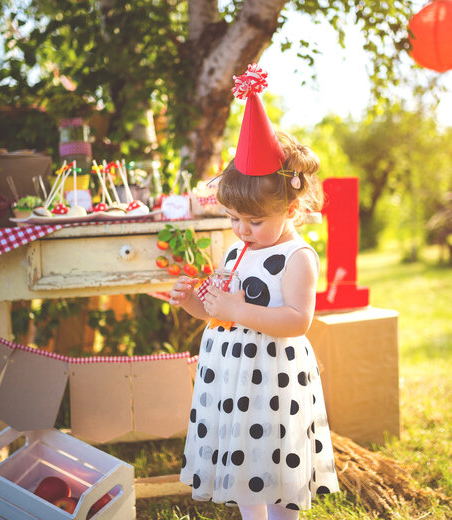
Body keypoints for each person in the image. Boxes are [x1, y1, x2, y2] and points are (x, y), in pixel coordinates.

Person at [173, 64, 339, 520]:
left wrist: (238, 308)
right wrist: (193, 301)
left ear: (289, 206)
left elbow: (296, 321)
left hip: (273, 378)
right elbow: (217, 313)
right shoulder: (237, 250)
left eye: (255, 221)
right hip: (231, 378)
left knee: (277, 454)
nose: (242, 230)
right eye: (233, 218)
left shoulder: (297, 257)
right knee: (243, 452)